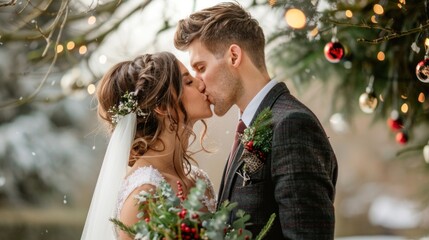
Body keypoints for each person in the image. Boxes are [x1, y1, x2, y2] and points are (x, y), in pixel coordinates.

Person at [174, 2, 338, 239]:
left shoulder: (292, 126)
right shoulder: (250, 126)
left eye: (201, 67)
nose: (199, 82)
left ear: (233, 56)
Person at [81, 52, 216, 240]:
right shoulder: (144, 193)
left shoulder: (200, 180)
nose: (201, 84)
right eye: (188, 82)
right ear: (161, 106)